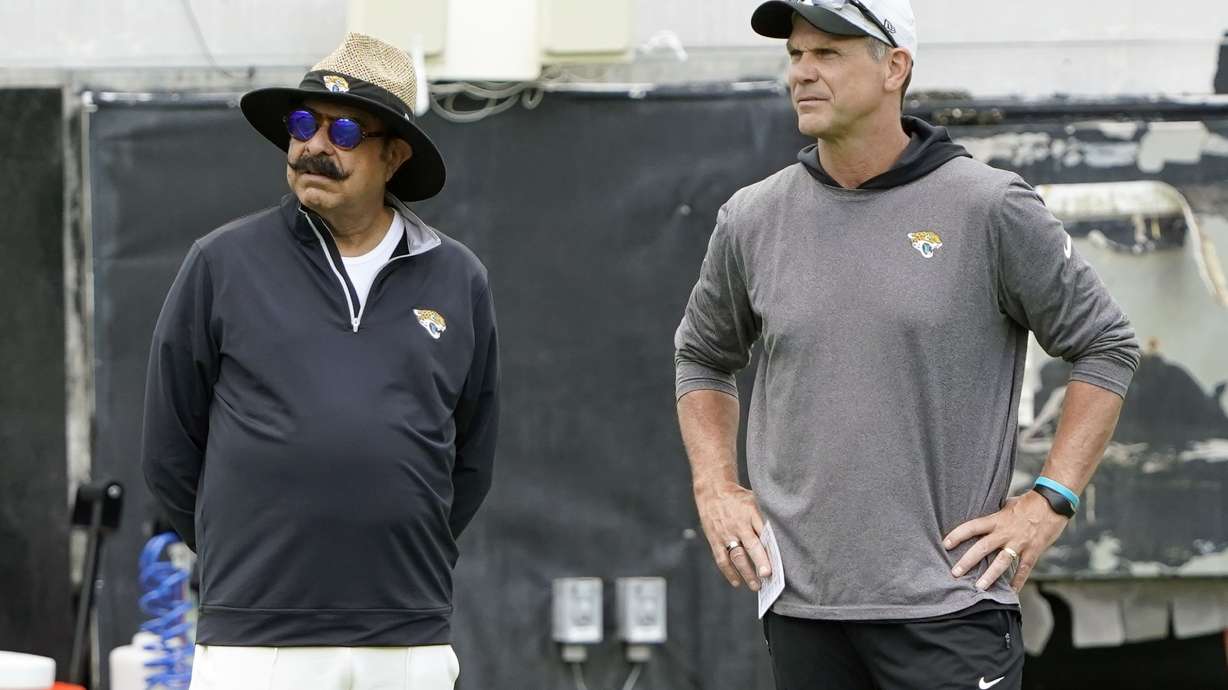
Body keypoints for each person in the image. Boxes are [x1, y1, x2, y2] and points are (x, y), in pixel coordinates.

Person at [672, 1, 1140, 688]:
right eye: (796, 55)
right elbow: (703, 358)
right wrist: (716, 487)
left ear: (895, 67)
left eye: (827, 53)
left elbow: (1106, 344)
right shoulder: (753, 218)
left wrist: (1049, 501)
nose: (802, 72)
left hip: (950, 608)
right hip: (803, 609)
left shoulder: (989, 206)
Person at [141, 33, 499, 690]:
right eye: (302, 124)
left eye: (341, 131)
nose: (314, 146)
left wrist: (395, 543)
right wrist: (248, 554)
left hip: (405, 637)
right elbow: (168, 450)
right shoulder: (221, 263)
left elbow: (471, 456)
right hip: (256, 638)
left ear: (394, 155)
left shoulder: (458, 279)